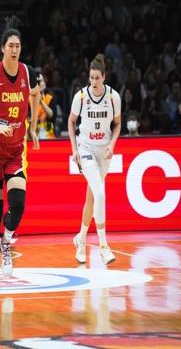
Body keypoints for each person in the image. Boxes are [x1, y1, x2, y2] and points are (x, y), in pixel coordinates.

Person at [0, 16, 40, 288]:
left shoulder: (27, 72)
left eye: (18, 46)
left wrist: (33, 126)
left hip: (15, 150)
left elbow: (36, 93)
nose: (14, 50)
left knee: (19, 203)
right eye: (10, 46)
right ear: (2, 48)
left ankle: (6, 241)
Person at [68, 54, 121, 265]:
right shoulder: (81, 97)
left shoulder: (113, 97)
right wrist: (74, 149)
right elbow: (71, 122)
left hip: (104, 151)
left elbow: (118, 123)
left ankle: (81, 239)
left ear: (104, 77)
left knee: (92, 198)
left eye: (97, 78)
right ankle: (103, 246)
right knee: (100, 193)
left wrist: (112, 144)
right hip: (86, 148)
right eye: (91, 78)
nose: (94, 81)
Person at [36, 72, 56, 139]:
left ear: (45, 83)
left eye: (40, 81)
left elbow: (51, 115)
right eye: (36, 82)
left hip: (49, 137)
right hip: (34, 137)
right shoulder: (29, 100)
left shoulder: (50, 98)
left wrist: (41, 101)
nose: (38, 84)